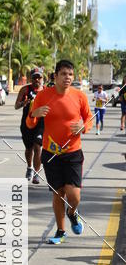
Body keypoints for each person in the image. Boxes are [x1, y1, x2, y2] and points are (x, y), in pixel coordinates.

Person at [26, 59, 94, 245]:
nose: (67, 77)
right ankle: (61, 231)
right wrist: (33, 114)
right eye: (63, 74)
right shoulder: (43, 96)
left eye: (70, 74)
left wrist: (84, 126)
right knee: (58, 193)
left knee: (74, 195)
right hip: (51, 153)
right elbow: (29, 123)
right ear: (55, 76)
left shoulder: (79, 96)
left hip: (73, 152)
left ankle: (72, 212)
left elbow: (89, 118)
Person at [15, 67, 44, 183]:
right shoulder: (25, 90)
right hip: (27, 122)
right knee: (29, 148)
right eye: (34, 77)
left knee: (37, 147)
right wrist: (24, 103)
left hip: (40, 123)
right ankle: (29, 167)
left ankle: (36, 173)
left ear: (42, 78)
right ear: (31, 78)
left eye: (39, 77)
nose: (37, 80)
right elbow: (16, 106)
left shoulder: (46, 91)